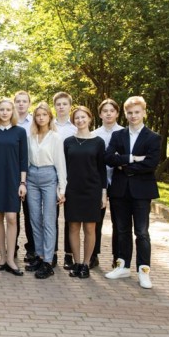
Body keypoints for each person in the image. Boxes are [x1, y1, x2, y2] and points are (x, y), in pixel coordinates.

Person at [104, 96, 161, 289]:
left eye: (137, 112)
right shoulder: (118, 135)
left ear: (144, 112)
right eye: (130, 113)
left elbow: (151, 164)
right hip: (120, 190)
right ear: (125, 114)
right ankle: (123, 266)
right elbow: (108, 158)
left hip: (141, 192)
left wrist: (125, 166)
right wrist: (132, 158)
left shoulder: (153, 137)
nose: (133, 116)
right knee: (121, 230)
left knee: (142, 232)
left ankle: (143, 271)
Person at [24, 103, 67, 279]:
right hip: (32, 177)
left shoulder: (55, 137)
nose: (41, 118)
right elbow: (27, 160)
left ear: (50, 117)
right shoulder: (31, 136)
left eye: (44, 114)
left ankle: (48, 261)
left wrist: (62, 188)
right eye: (38, 115)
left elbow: (60, 163)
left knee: (49, 220)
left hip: (49, 176)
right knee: (35, 219)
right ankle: (40, 256)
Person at [63, 106, 107, 279]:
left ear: (89, 118)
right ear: (73, 121)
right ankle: (77, 263)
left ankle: (86, 264)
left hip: (92, 190)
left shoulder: (98, 142)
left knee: (90, 228)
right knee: (73, 227)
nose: (80, 120)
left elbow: (102, 169)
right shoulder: (68, 142)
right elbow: (64, 168)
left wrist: (103, 193)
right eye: (77, 118)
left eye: (83, 117)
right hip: (72, 190)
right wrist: (62, 189)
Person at [0, 98, 27, 276]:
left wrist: (22, 183)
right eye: (1, 109)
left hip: (13, 180)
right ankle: (2, 257)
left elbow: (23, 159)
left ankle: (11, 258)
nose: (4, 112)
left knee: (11, 217)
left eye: (8, 110)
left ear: (12, 112)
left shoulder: (20, 132)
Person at [92, 99, 123, 268]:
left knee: (118, 222)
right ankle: (93, 255)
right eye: (105, 111)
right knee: (96, 220)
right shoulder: (94, 134)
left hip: (119, 180)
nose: (109, 113)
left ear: (117, 113)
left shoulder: (124, 133)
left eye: (112, 110)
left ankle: (117, 257)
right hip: (99, 181)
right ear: (100, 114)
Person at [53, 91, 77, 270]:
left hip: (72, 176)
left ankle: (69, 254)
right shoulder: (49, 125)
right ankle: (52, 253)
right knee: (51, 217)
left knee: (71, 217)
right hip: (52, 176)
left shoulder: (76, 128)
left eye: (64, 104)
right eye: (58, 104)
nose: (61, 107)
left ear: (70, 106)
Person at [14, 90, 35, 263]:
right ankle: (12, 247)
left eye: (24, 101)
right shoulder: (10, 121)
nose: (21, 104)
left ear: (29, 103)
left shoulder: (36, 122)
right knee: (13, 214)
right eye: (18, 101)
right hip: (13, 174)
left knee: (30, 214)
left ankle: (32, 249)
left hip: (32, 174)